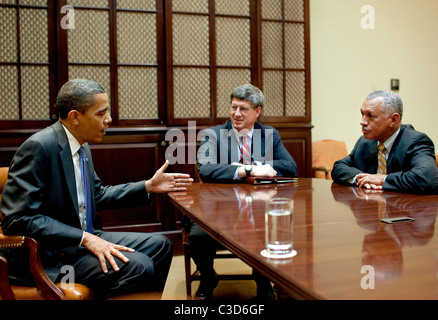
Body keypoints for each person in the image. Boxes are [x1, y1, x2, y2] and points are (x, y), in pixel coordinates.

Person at [0, 78, 193, 299]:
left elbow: (97, 195)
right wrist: (85, 238)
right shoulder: (39, 147)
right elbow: (16, 219)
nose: (109, 120)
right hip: (50, 255)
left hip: (81, 240)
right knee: (138, 266)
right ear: (75, 117)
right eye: (101, 113)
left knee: (160, 246)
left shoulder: (81, 145)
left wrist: (148, 186)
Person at [186, 84, 297, 300]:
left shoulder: (269, 134)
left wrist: (262, 164)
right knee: (199, 235)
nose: (237, 114)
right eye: (234, 107)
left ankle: (263, 280)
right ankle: (208, 277)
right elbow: (205, 169)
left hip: (259, 203)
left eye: (243, 109)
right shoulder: (214, 134)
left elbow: (290, 166)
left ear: (257, 111)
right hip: (218, 206)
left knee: (271, 226)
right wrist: (248, 169)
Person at [331, 90, 438, 194]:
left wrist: (384, 179)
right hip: (369, 207)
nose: (362, 122)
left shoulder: (415, 141)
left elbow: (427, 178)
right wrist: (364, 179)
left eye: (370, 115)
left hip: (406, 208)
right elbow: (339, 167)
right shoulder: (365, 142)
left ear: (394, 120)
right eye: (362, 114)